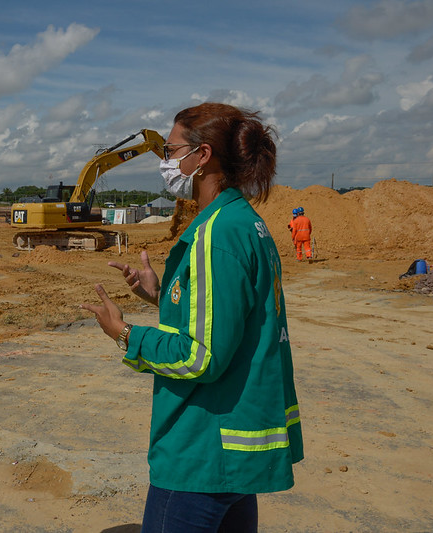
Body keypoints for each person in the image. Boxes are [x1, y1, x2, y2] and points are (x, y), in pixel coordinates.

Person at [81, 103, 303, 533]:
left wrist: (125, 334)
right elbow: (231, 319)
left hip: (201, 452)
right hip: (233, 453)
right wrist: (163, 297)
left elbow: (200, 356)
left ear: (202, 157)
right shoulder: (245, 224)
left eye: (171, 149)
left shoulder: (215, 234)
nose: (165, 161)